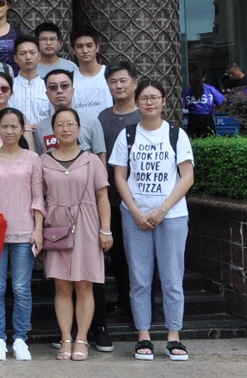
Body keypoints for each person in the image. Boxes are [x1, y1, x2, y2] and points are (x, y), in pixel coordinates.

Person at [110, 80, 195, 362]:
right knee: (139, 279)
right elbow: (119, 177)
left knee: (172, 279)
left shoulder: (176, 134)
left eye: (154, 97)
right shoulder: (127, 135)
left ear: (164, 101)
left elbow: (187, 177)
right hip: (135, 216)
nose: (149, 102)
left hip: (172, 216)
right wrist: (135, 211)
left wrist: (162, 210)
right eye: (144, 98)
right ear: (137, 102)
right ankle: (143, 335)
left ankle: (174, 336)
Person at [39, 107, 112, 362]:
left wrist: (106, 230)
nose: (65, 128)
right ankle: (65, 339)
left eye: (70, 124)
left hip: (87, 226)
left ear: (79, 129)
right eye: (60, 124)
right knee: (61, 286)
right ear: (53, 130)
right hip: (56, 228)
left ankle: (81, 338)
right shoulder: (43, 161)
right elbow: (38, 198)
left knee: (84, 285)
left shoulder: (92, 160)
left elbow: (102, 197)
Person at [0, 108, 44, 362]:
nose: (9, 131)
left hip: (25, 231)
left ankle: (20, 339)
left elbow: (38, 197)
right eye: (4, 126)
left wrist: (38, 229)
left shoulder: (32, 158)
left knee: (21, 288)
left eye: (14, 126)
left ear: (22, 129)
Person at [97, 60, 141, 316]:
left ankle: (144, 308)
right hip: (111, 199)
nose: (118, 85)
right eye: (112, 81)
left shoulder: (145, 116)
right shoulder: (103, 117)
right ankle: (125, 301)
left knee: (141, 256)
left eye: (123, 80)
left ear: (135, 83)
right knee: (119, 255)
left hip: (142, 200)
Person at [37, 69, 109, 160]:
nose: (59, 91)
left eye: (64, 86)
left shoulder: (91, 122)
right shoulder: (41, 127)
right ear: (47, 94)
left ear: (73, 90)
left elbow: (100, 158)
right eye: (53, 87)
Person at [10, 36, 53, 132]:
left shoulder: (48, 87)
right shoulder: (8, 87)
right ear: (15, 58)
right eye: (23, 53)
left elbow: (54, 117)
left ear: (39, 56)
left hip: (43, 136)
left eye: (32, 53)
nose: (28, 57)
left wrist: (42, 126)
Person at [70, 28, 114, 118]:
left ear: (97, 48)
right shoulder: (69, 79)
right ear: (73, 50)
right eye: (79, 46)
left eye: (89, 45)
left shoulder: (111, 74)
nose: (85, 50)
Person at [182, 64, 223, 138]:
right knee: (210, 141)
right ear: (205, 76)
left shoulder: (188, 90)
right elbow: (222, 100)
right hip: (207, 118)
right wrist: (218, 106)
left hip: (192, 119)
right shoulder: (210, 89)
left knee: (193, 141)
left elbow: (184, 105)